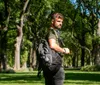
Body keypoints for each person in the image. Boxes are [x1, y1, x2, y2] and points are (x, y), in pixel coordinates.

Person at [43, 12, 70, 85]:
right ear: (52, 21)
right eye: (58, 21)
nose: (60, 23)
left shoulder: (47, 31)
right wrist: (64, 50)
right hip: (56, 66)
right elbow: (52, 45)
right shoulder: (52, 31)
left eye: (61, 22)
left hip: (48, 66)